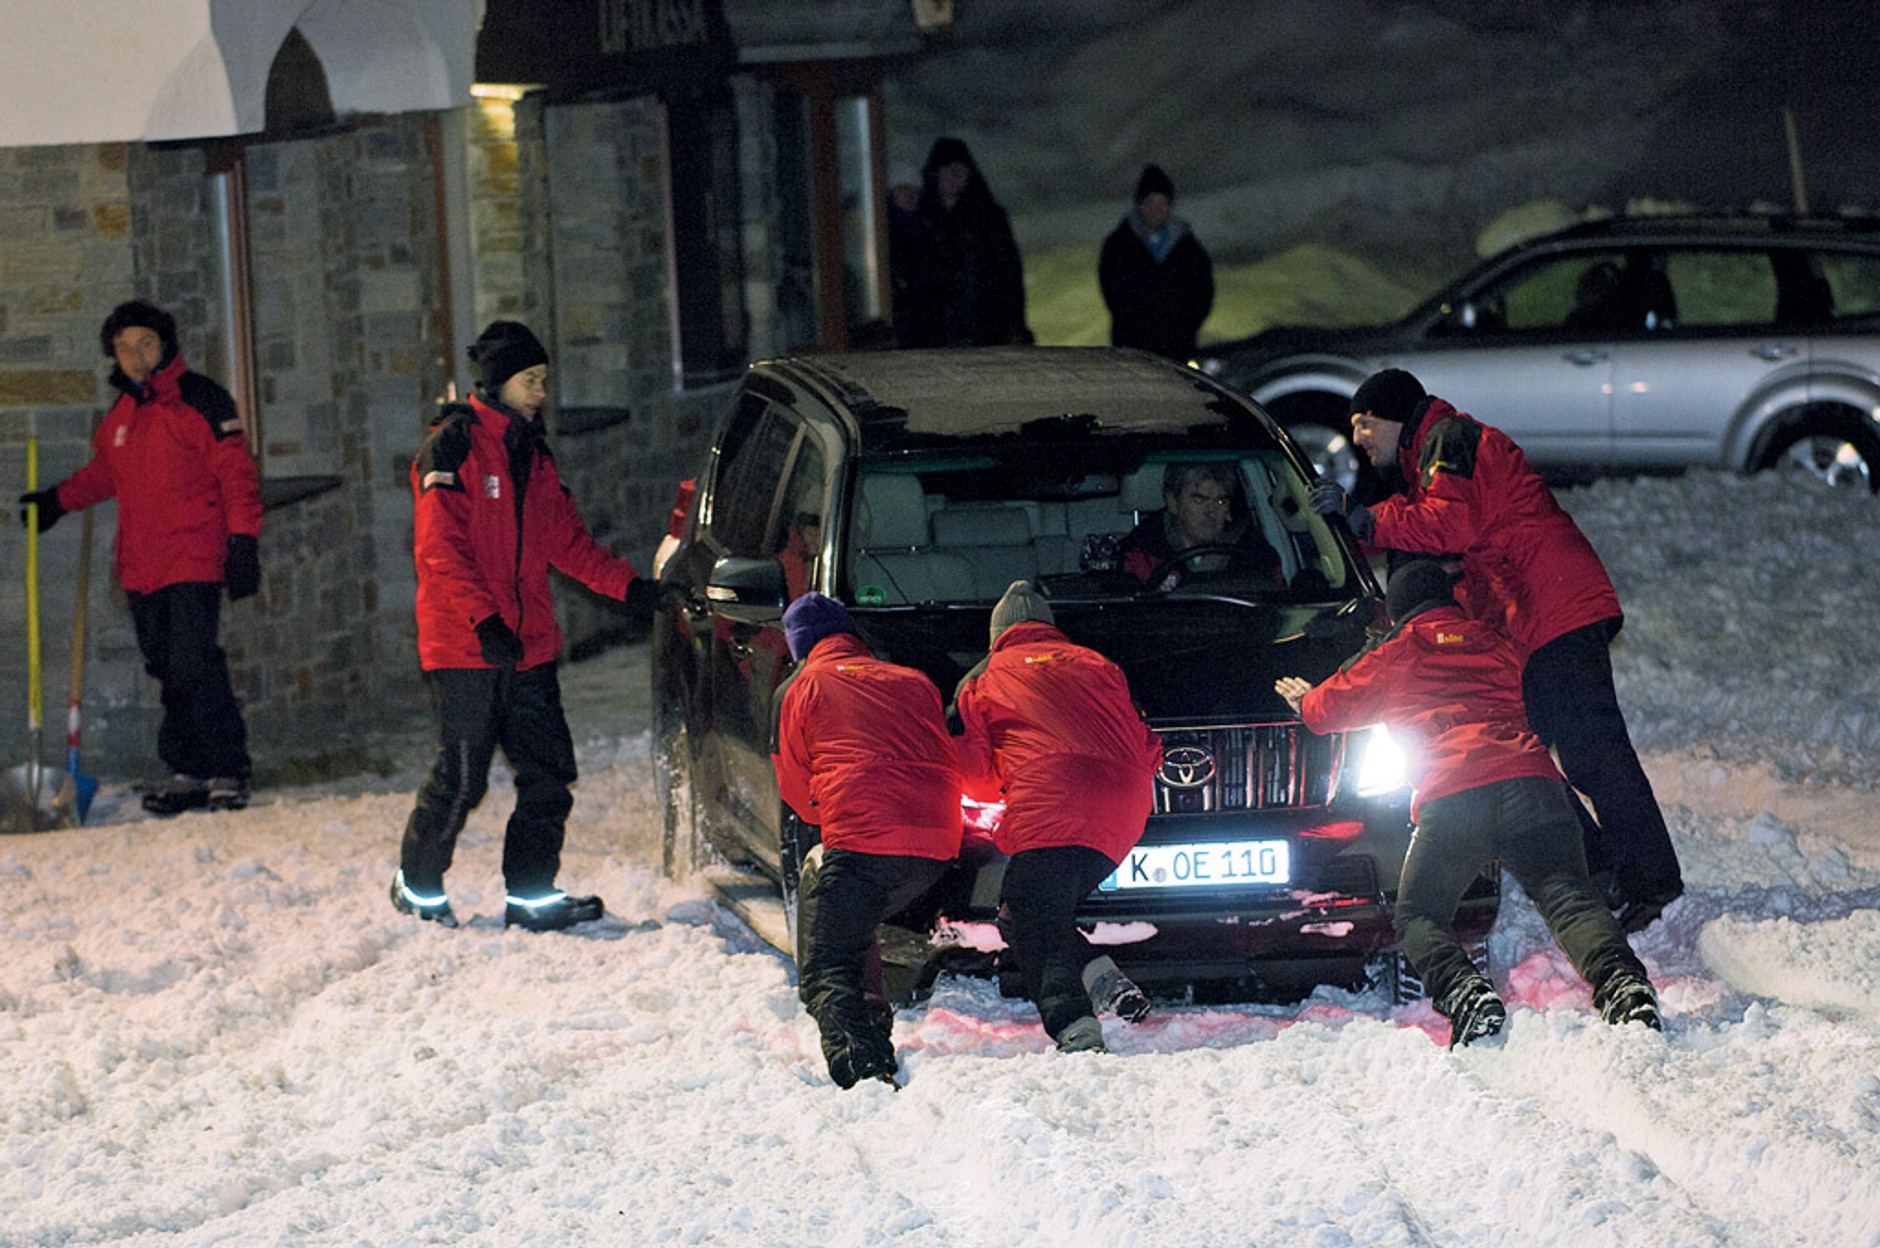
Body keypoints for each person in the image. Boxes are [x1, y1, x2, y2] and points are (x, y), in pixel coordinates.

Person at [1310, 368, 1684, 933]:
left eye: (1365, 424)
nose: (1359, 439)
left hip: (1557, 605)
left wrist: (1365, 519)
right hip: (1536, 614)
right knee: (1528, 747)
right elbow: (1463, 555)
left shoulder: (1449, 438)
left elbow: (1451, 525)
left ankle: (1648, 881)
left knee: (1591, 751)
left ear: (1394, 416)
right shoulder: (1429, 457)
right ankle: (1606, 873)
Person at [1275, 560, 1662, 1047]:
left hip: (1453, 798)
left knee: (1419, 915)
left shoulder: (1397, 650)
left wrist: (1307, 700)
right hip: (1533, 786)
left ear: (1397, 612)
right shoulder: (1494, 641)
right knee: (1570, 898)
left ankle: (1467, 995)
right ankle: (1625, 986)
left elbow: (1326, 713)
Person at [393, 320, 656, 932]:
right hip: (465, 646)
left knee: (548, 776)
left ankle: (532, 898)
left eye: (543, 381)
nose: (541, 392)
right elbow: (440, 548)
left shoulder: (534, 454)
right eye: (531, 381)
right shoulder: (453, 446)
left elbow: (567, 541)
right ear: (500, 382)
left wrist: (632, 587)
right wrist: (483, 620)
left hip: (529, 645)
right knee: (462, 780)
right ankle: (419, 889)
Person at [19, 300, 261, 816]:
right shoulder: (120, 418)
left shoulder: (201, 400)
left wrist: (243, 540)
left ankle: (227, 768)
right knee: (166, 668)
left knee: (195, 661)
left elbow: (236, 474)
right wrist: (56, 502)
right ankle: (188, 769)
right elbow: (104, 475)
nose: (135, 356)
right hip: (142, 563)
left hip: (193, 555)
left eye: (144, 344)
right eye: (124, 348)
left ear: (165, 344)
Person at [954, 581, 1163, 1053]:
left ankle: (1075, 1025)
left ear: (998, 636)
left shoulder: (983, 679)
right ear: (1049, 628)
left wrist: (1011, 782)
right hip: (1126, 807)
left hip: (1052, 803)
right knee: (1041, 911)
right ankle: (1100, 977)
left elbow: (977, 775)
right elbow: (1145, 740)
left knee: (1021, 913)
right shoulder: (1098, 663)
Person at [772, 593, 963, 1089]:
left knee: (825, 967)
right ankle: (873, 1020)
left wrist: (836, 815)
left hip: (864, 840)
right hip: (937, 846)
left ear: (801, 648)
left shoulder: (805, 686)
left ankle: (862, 1063)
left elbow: (796, 790)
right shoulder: (913, 680)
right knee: (853, 924)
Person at [897, 137, 1033, 348]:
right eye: (946, 170)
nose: (953, 177)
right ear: (935, 173)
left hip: (985, 330)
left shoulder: (989, 219)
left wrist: (1015, 326)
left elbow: (1009, 276)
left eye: (959, 170)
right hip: (934, 334)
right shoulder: (920, 220)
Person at [1098, 164, 1215, 361]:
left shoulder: (1186, 245)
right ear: (1139, 204)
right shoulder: (1120, 245)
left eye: (1162, 204)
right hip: (1134, 345)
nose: (1156, 210)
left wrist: (1186, 324)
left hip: (1178, 345)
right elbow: (1114, 291)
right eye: (1150, 203)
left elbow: (1203, 289)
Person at [1116, 463, 1282, 590]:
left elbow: (1278, 604)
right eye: (1199, 499)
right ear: (1173, 501)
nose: (1211, 512)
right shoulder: (1142, 552)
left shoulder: (1254, 552)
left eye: (1220, 501)